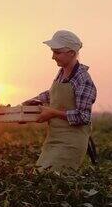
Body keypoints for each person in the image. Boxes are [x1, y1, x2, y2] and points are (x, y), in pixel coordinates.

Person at [23, 30, 97, 172]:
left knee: (48, 179)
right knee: (38, 177)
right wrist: (26, 106)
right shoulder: (62, 73)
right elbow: (52, 95)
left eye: (57, 52)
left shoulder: (83, 80)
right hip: (53, 139)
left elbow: (83, 117)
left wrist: (52, 113)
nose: (53, 57)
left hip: (71, 143)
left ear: (71, 53)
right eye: (52, 52)